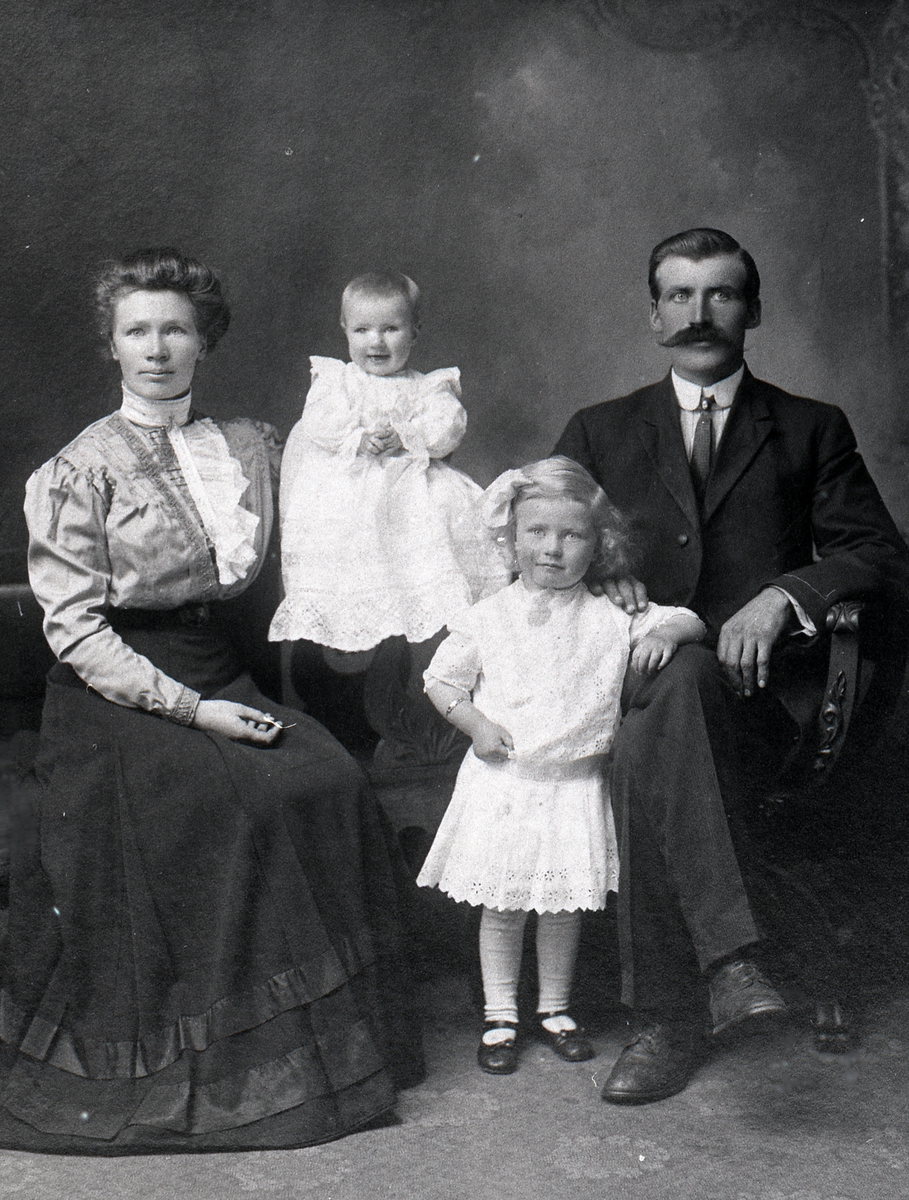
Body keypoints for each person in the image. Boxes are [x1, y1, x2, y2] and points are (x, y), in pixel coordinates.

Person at [0, 248, 423, 1154]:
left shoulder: (252, 447)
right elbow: (72, 630)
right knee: (249, 803)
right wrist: (196, 712)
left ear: (204, 341)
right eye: (137, 331)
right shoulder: (79, 468)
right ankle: (241, 1069)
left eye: (175, 329)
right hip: (114, 690)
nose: (157, 348)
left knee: (328, 778)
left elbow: (357, 515)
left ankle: (357, 1044)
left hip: (219, 662)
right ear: (112, 347)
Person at [554, 227, 909, 1104]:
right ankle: (734, 961)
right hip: (626, 681)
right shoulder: (599, 431)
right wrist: (605, 577)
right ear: (652, 315)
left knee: (661, 726)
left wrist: (786, 592)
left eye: (719, 294)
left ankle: (670, 1017)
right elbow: (535, 550)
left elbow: (879, 554)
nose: (698, 313)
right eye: (678, 295)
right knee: (665, 692)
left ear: (752, 311)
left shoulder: (807, 427)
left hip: (768, 698)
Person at [415, 458, 705, 1075]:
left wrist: (667, 634)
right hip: (508, 784)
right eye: (537, 533)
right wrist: (476, 725)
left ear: (599, 546)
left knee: (561, 905)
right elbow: (441, 679)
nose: (552, 549)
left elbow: (691, 617)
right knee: (504, 904)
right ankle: (499, 1014)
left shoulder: (611, 612)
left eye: (572, 536)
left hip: (575, 786)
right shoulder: (490, 615)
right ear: (512, 539)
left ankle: (554, 1008)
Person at [268, 271, 506, 669]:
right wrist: (356, 437)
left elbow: (448, 426)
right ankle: (347, 654)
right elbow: (319, 420)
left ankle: (414, 659)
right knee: (350, 577)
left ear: (414, 333)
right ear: (345, 330)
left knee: (424, 567)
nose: (376, 342)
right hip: (347, 504)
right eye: (362, 329)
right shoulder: (337, 381)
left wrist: (408, 435)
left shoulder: (427, 386)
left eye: (391, 329)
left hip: (409, 501)